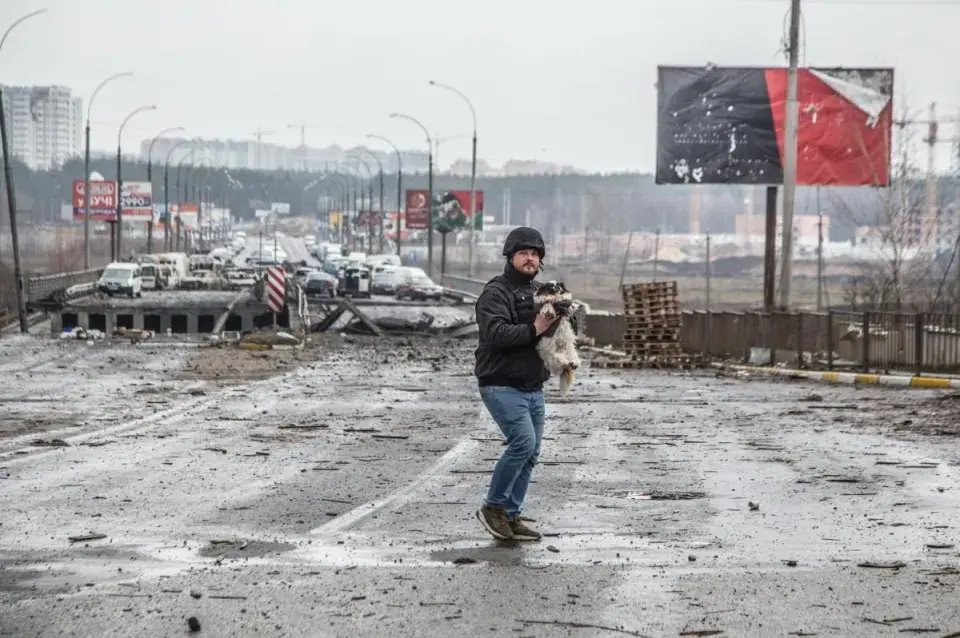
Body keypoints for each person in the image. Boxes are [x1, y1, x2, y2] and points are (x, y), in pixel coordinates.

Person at [473, 226, 559, 541]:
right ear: (510, 257)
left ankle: (510, 515)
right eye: (523, 253)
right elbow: (496, 333)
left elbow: (549, 336)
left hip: (532, 385)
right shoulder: (496, 292)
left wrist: (561, 323)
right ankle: (493, 507)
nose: (530, 258)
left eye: (535, 254)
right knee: (522, 443)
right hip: (500, 382)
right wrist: (535, 326)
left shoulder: (541, 292)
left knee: (532, 451)